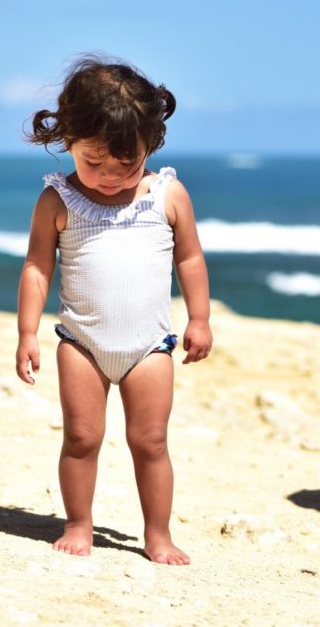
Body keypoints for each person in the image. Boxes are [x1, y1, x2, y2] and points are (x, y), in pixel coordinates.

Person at [16, 56, 213, 565]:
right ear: (68, 142)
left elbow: (189, 257)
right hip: (81, 341)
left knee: (150, 441)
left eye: (125, 165)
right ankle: (79, 524)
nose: (108, 176)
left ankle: (158, 534)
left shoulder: (167, 196)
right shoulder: (57, 200)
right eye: (93, 162)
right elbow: (38, 267)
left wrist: (199, 318)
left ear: (151, 144)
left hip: (149, 345)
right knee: (82, 437)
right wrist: (27, 333)